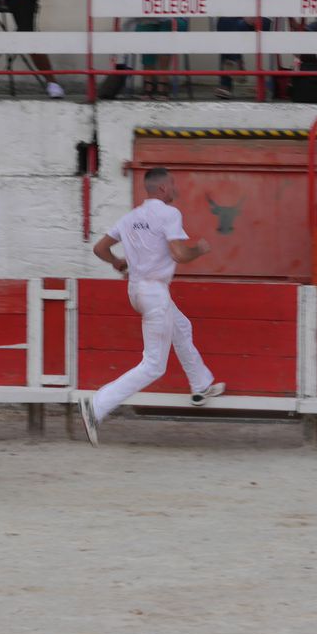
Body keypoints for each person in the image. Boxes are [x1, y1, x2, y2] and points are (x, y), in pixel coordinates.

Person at [78, 167, 225, 447]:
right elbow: (179, 254)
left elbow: (100, 249)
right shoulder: (169, 214)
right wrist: (200, 249)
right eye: (172, 185)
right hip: (155, 292)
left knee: (182, 326)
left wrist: (117, 262)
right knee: (153, 365)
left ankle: (201, 385)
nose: (175, 188)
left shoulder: (131, 217)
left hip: (137, 289)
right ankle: (96, 406)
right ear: (162, 189)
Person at [112, 0, 188, 100]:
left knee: (165, 35)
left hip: (171, 16)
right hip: (147, 17)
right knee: (145, 34)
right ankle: (148, 84)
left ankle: (162, 83)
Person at [204, 0, 274, 99]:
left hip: (260, 14)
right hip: (232, 15)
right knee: (225, 23)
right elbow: (218, 3)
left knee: (235, 26)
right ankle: (235, 65)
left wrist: (255, 12)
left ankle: (228, 79)